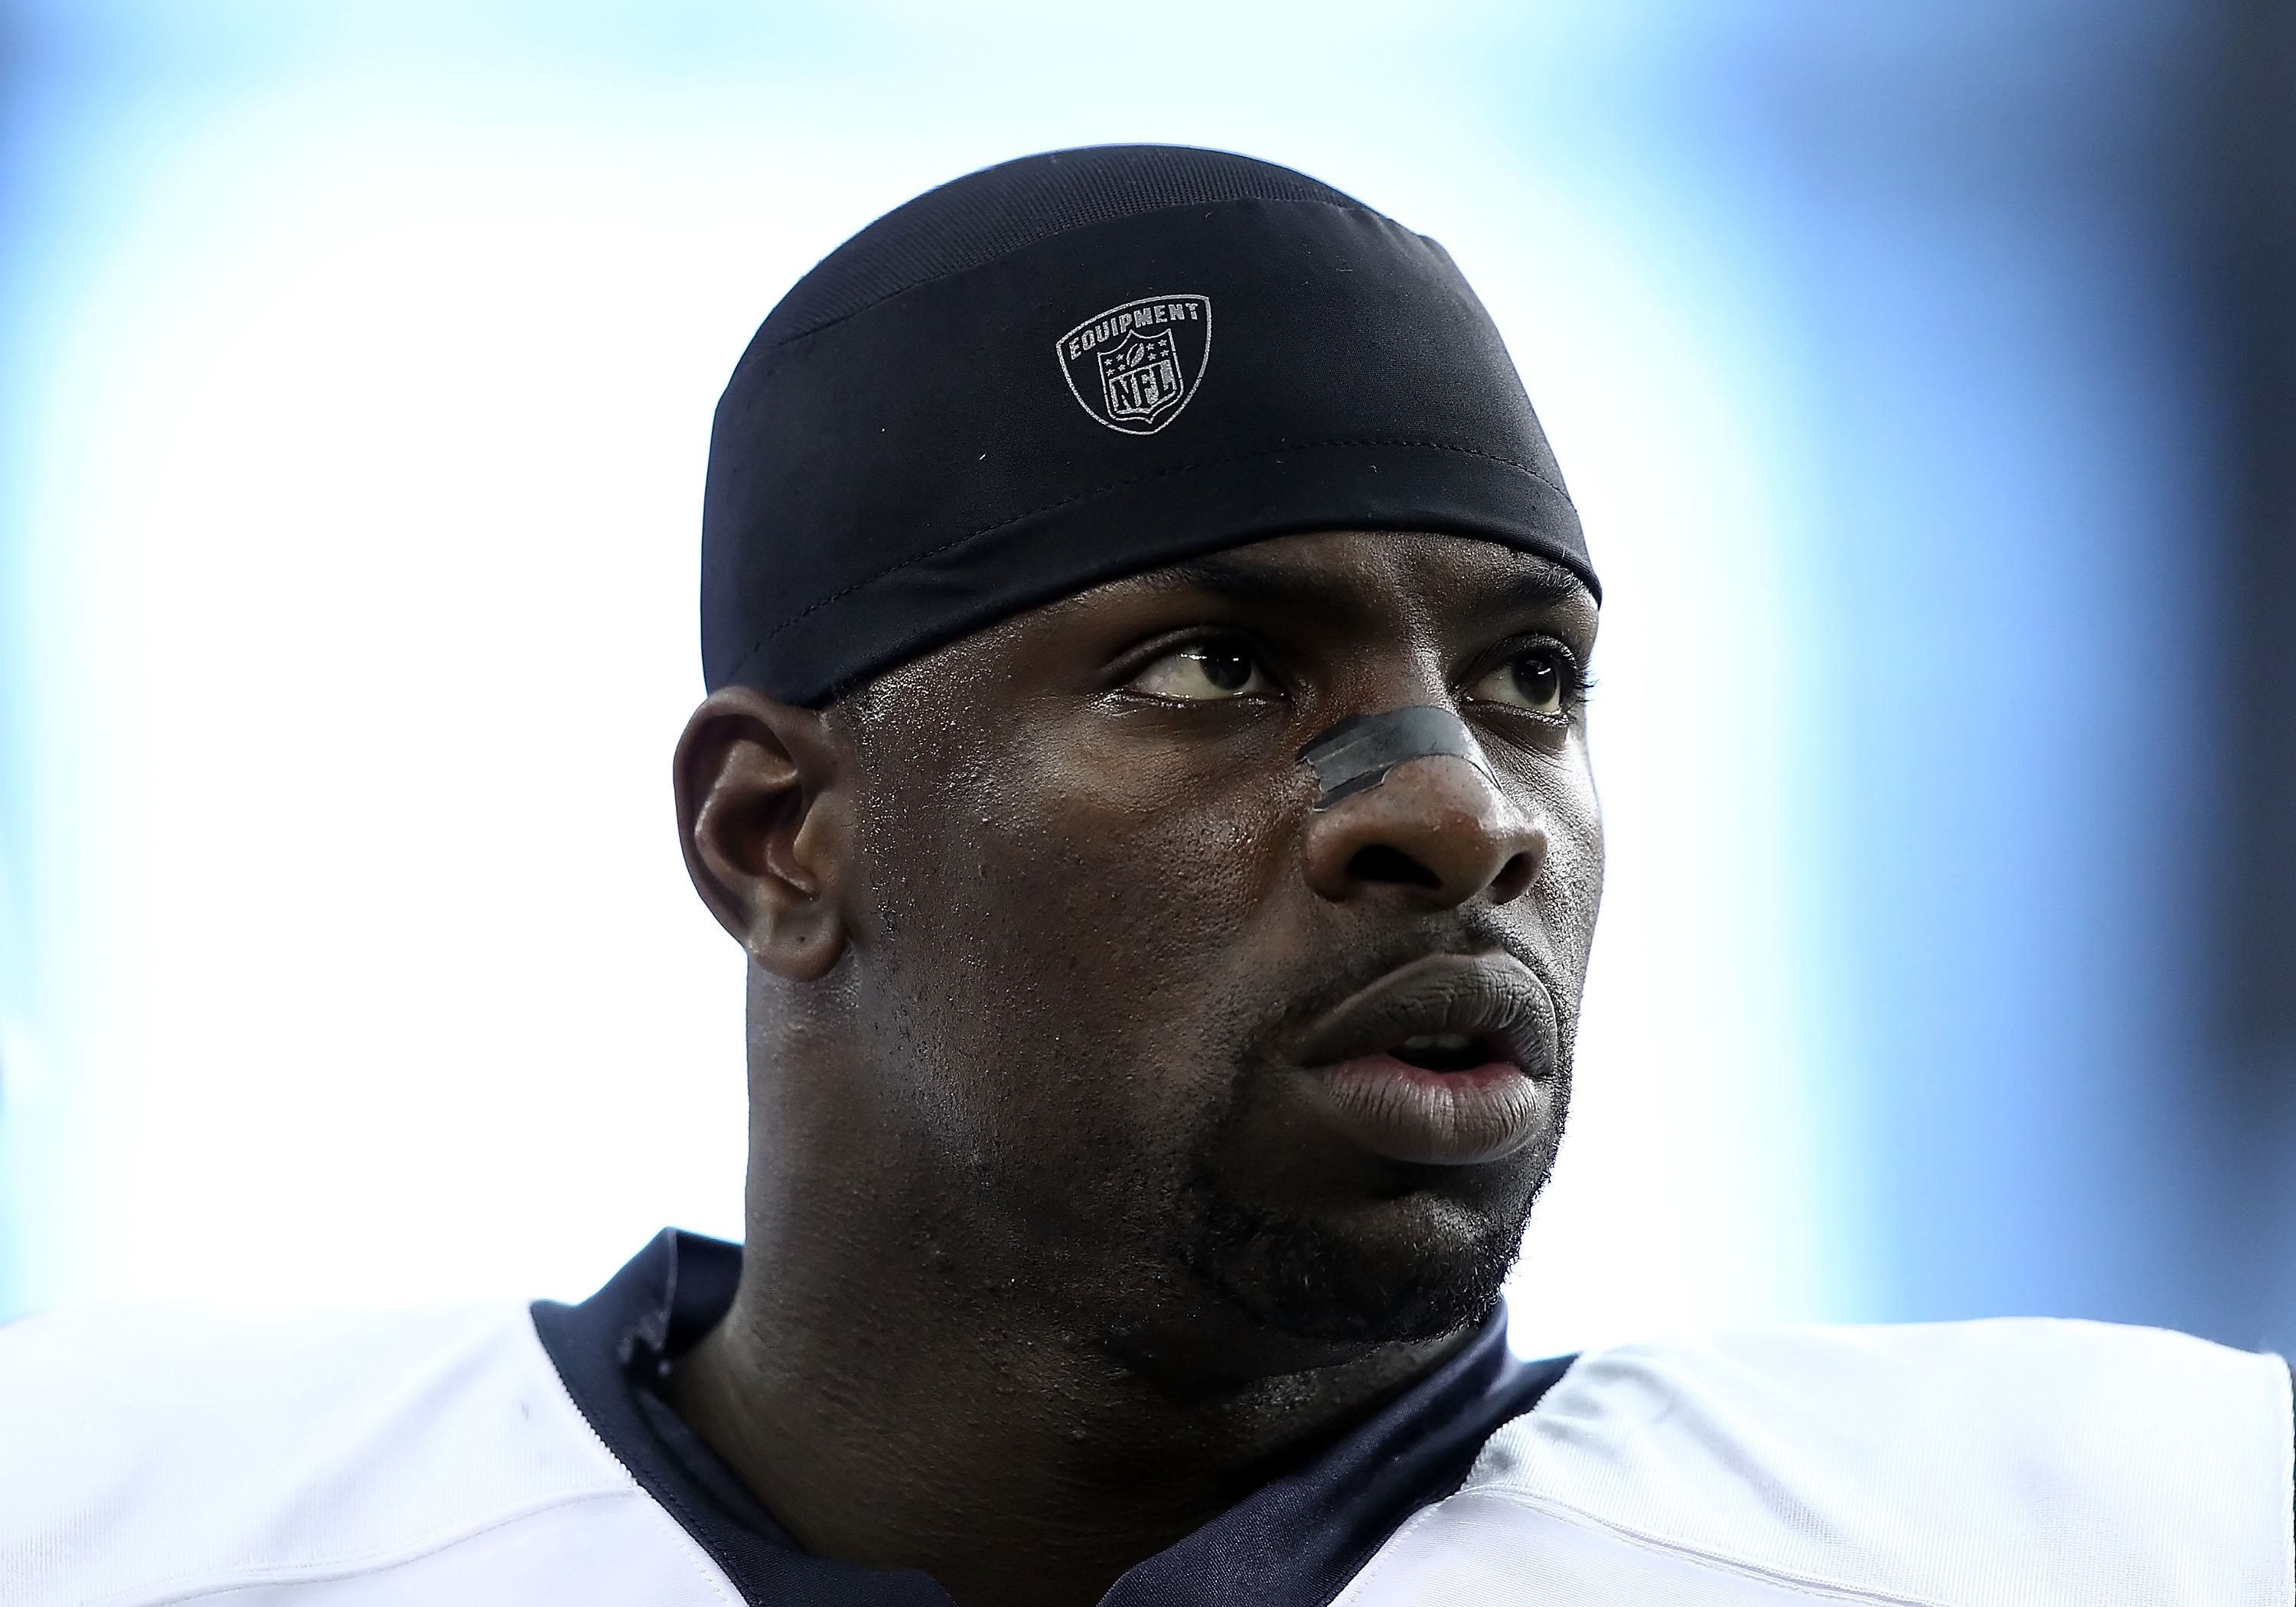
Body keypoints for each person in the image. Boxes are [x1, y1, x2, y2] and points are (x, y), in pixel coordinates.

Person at [2, 145, 2286, 1607]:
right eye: (1215, 663)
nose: (1462, 805)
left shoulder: (2127, 1535)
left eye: (1531, 679)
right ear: (775, 837)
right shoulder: (103, 1519)